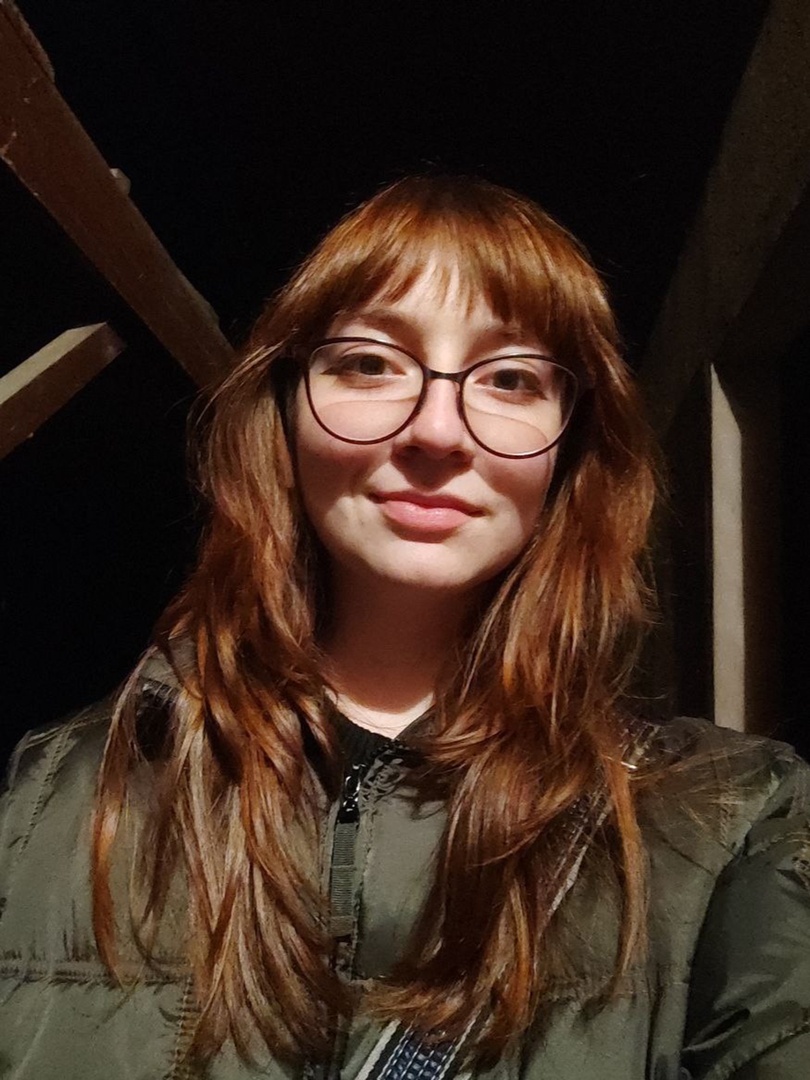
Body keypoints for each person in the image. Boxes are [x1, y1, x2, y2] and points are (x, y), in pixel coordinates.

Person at [1, 175, 809, 1080]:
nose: (437, 431)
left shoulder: (734, 824)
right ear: (284, 410)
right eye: (370, 364)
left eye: (511, 379)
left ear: (573, 449)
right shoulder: (43, 801)